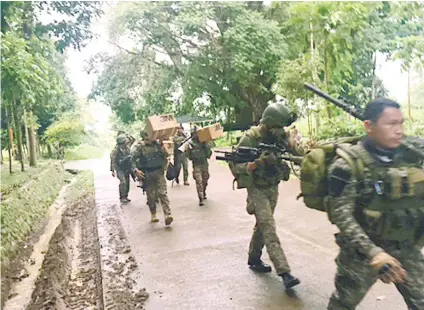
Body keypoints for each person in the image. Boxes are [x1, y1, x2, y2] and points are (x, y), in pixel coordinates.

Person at [326, 98, 424, 309]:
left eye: (401, 123)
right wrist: (374, 252)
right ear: (369, 126)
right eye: (391, 124)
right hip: (362, 252)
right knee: (343, 304)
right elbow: (341, 215)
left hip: (406, 247)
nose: (399, 130)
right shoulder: (347, 164)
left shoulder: (411, 153)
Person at [232, 102, 303, 290]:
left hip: (273, 186)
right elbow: (235, 165)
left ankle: (254, 258)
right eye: (278, 127)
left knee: (262, 225)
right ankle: (285, 273)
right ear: (270, 123)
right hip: (257, 188)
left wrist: (291, 143)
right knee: (269, 227)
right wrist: (255, 164)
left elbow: (301, 155)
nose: (281, 131)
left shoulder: (280, 136)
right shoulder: (250, 138)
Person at [131, 129, 173, 226]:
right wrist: (135, 170)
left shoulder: (158, 145)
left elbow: (166, 154)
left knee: (163, 193)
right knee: (151, 196)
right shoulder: (140, 147)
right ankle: (153, 214)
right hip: (147, 173)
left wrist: (164, 145)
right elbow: (132, 159)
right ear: (145, 136)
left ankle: (168, 215)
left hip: (159, 172)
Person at [186, 129, 213, 206]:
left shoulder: (204, 143)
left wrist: (206, 146)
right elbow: (188, 156)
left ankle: (203, 192)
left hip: (204, 164)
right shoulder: (190, 144)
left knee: (205, 179)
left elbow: (209, 155)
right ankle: (200, 198)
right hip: (196, 165)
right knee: (199, 181)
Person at [110, 135, 132, 203]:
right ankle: (122, 197)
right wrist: (112, 170)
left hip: (126, 168)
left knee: (127, 182)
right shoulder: (115, 150)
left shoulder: (127, 148)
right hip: (119, 168)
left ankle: (125, 196)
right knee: (123, 182)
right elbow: (112, 160)